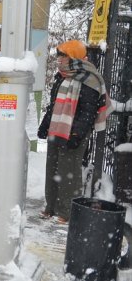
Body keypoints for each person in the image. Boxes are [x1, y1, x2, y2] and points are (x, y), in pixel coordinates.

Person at [37, 40, 109, 223]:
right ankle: (50, 206)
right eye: (59, 55)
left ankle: (67, 211)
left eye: (63, 55)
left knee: (68, 171)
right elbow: (54, 105)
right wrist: (45, 125)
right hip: (56, 128)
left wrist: (77, 133)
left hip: (74, 131)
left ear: (73, 57)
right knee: (52, 169)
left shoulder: (89, 78)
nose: (59, 59)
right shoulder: (61, 76)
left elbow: (88, 111)